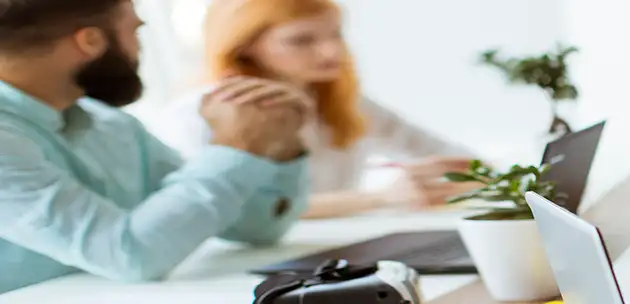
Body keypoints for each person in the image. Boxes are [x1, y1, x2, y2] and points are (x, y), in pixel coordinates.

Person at [0, 0, 312, 293]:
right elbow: (130, 255)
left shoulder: (112, 125)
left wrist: (276, 141)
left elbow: (255, 227)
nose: (139, 46)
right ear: (91, 42)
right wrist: (235, 148)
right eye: (135, 30)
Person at [153, 0, 484, 220]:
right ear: (246, 47)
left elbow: (457, 159)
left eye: (335, 34)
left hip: (334, 245)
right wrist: (380, 197)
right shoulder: (200, 113)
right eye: (301, 40)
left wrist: (470, 178)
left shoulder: (341, 100)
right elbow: (234, 215)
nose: (332, 51)